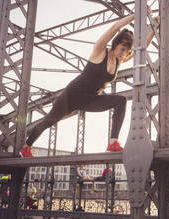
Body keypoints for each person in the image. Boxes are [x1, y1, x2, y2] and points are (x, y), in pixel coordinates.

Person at [20, 11, 159, 157]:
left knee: (121, 101)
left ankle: (113, 143)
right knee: (48, 121)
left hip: (91, 99)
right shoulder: (100, 50)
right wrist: (137, 14)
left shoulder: (120, 59)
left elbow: (143, 47)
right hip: (71, 96)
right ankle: (26, 147)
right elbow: (114, 28)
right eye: (122, 49)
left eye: (126, 51)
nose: (124, 54)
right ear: (116, 44)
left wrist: (154, 26)